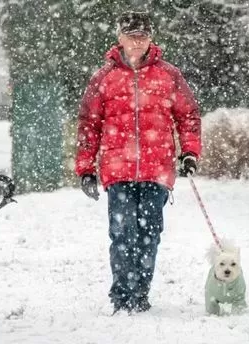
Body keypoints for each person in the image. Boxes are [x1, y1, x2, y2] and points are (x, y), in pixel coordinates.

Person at [74, 10, 202, 314]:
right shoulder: (103, 77)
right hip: (118, 170)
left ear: (151, 38)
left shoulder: (169, 74)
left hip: (157, 170)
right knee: (121, 234)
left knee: (149, 234)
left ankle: (140, 293)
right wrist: (85, 169)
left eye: (142, 36)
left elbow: (188, 116)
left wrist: (190, 152)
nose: (137, 42)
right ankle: (121, 295)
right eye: (131, 36)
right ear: (119, 38)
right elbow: (88, 125)